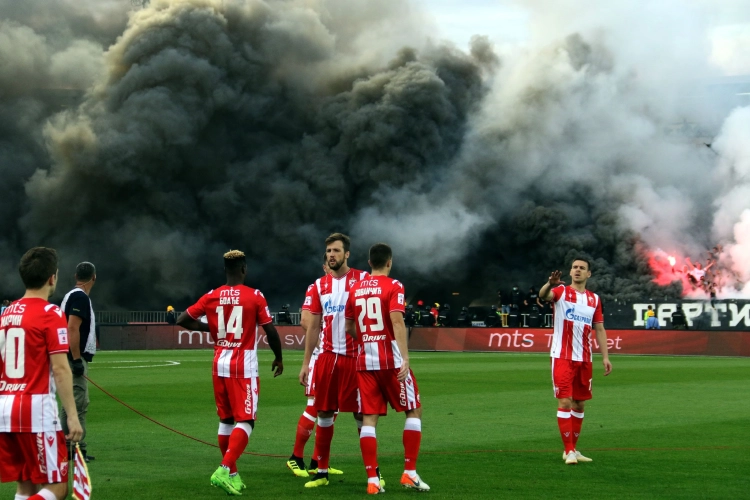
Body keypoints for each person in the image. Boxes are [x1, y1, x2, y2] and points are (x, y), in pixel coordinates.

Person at [176, 250, 284, 496]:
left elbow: (183, 319)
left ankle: (233, 474)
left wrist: (211, 327)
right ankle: (224, 468)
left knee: (226, 420)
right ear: (244, 269)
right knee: (246, 420)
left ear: (225, 270)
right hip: (243, 366)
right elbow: (271, 331)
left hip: (219, 364)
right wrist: (278, 357)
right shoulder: (254, 296)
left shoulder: (212, 296)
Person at [345, 243, 429, 494]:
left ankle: (372, 480)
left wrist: (367, 340)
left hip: (365, 361)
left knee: (369, 418)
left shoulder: (355, 287)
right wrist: (405, 357)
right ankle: (409, 472)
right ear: (389, 262)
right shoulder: (394, 286)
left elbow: (349, 327)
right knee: (414, 409)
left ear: (369, 263)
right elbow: (396, 320)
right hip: (391, 361)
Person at [0, 247, 83, 500]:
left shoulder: (8, 313)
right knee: (57, 487)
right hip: (35, 410)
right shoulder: (50, 313)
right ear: (52, 278)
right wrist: (72, 416)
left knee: (26, 485)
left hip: (5, 408)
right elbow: (60, 368)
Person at [299, 233, 371, 489]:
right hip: (328, 358)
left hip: (356, 357)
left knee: (363, 416)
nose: (331, 255)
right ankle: (321, 472)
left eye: (336, 251)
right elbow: (313, 327)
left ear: (347, 254)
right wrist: (307, 363)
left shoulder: (364, 279)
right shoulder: (320, 285)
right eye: (328, 251)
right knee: (324, 413)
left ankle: (373, 474)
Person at [539, 257, 612, 465]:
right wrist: (549, 285)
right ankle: (568, 451)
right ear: (570, 272)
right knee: (565, 401)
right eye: (574, 267)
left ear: (589, 274)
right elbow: (544, 296)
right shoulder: (561, 292)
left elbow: (599, 328)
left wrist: (605, 357)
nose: (577, 270)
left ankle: (574, 449)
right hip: (562, 356)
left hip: (585, 359)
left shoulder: (594, 299)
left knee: (579, 404)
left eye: (582, 268)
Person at [286, 258, 343, 477]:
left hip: (339, 357)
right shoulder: (316, 287)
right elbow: (305, 321)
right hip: (322, 358)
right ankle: (295, 458)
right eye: (329, 261)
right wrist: (323, 343)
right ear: (324, 267)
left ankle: (318, 462)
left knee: (332, 409)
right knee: (315, 406)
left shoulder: (345, 287)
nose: (332, 265)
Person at [59, 261, 98, 463]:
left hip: (67, 355)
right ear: (94, 277)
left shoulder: (70, 296)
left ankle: (70, 447)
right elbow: (72, 328)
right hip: (73, 355)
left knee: (70, 403)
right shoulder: (80, 298)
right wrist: (75, 359)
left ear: (76, 276)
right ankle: (73, 449)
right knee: (78, 403)